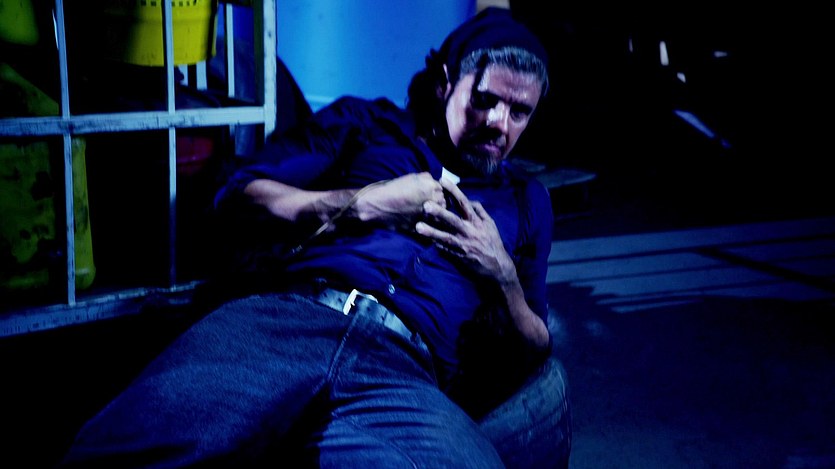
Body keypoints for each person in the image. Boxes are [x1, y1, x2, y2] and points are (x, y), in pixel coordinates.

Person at [58, 7, 570, 468]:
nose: (498, 124)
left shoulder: (526, 201)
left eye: (519, 112)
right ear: (445, 84)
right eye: (484, 100)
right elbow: (237, 193)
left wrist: (502, 274)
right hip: (287, 321)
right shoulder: (369, 125)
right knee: (130, 443)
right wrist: (363, 203)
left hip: (403, 371)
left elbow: (535, 346)